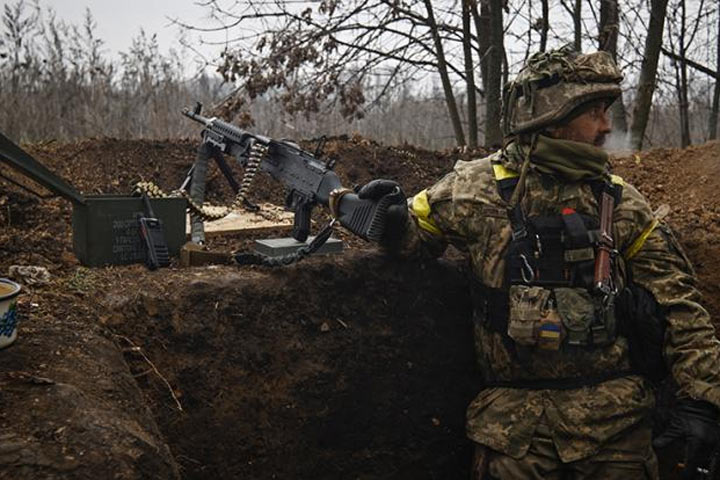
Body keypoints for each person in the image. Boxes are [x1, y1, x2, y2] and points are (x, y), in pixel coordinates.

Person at [357, 45, 720, 479]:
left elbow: (680, 305)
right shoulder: (473, 189)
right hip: (514, 435)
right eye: (595, 113)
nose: (607, 126)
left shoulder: (621, 202)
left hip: (617, 431)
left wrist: (704, 400)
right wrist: (390, 217)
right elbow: (413, 239)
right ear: (553, 116)